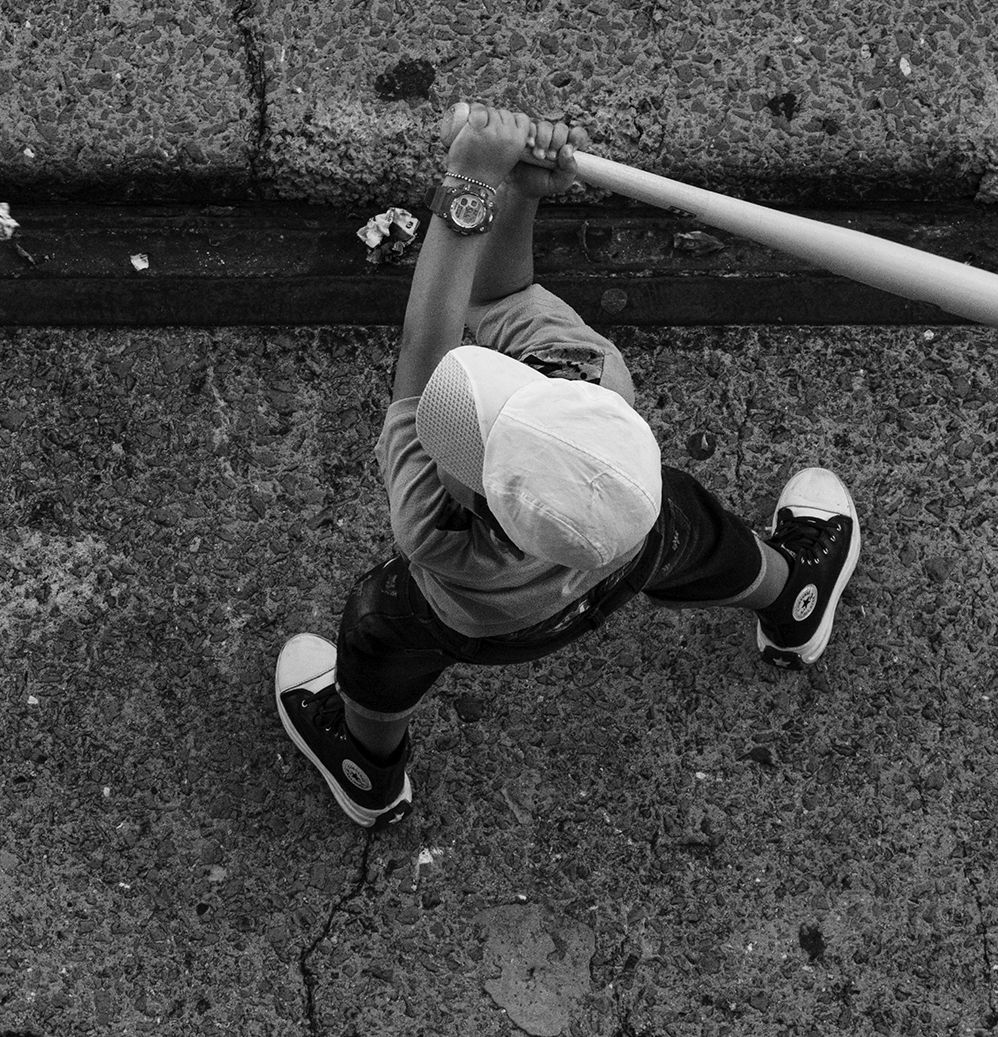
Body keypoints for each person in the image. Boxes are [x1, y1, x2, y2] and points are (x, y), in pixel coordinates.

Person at [273, 102, 860, 827]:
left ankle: (368, 772)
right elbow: (506, 296)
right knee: (702, 536)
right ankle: (794, 599)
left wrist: (473, 184)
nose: (469, 378)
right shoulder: (595, 373)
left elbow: (424, 351)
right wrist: (520, 193)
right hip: (627, 549)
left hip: (479, 621)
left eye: (466, 428)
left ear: (475, 494)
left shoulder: (433, 527)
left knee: (379, 641)